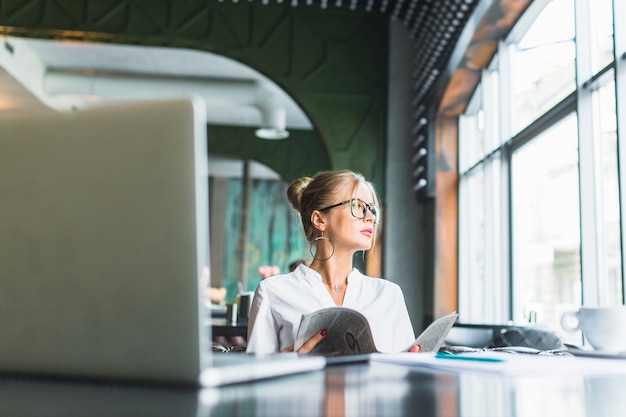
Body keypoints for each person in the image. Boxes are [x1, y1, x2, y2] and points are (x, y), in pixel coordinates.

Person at [246, 169, 420, 355]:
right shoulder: (273, 292)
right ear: (319, 220)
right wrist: (286, 363)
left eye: (371, 209)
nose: (369, 217)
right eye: (358, 207)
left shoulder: (389, 295)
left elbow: (405, 376)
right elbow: (252, 378)